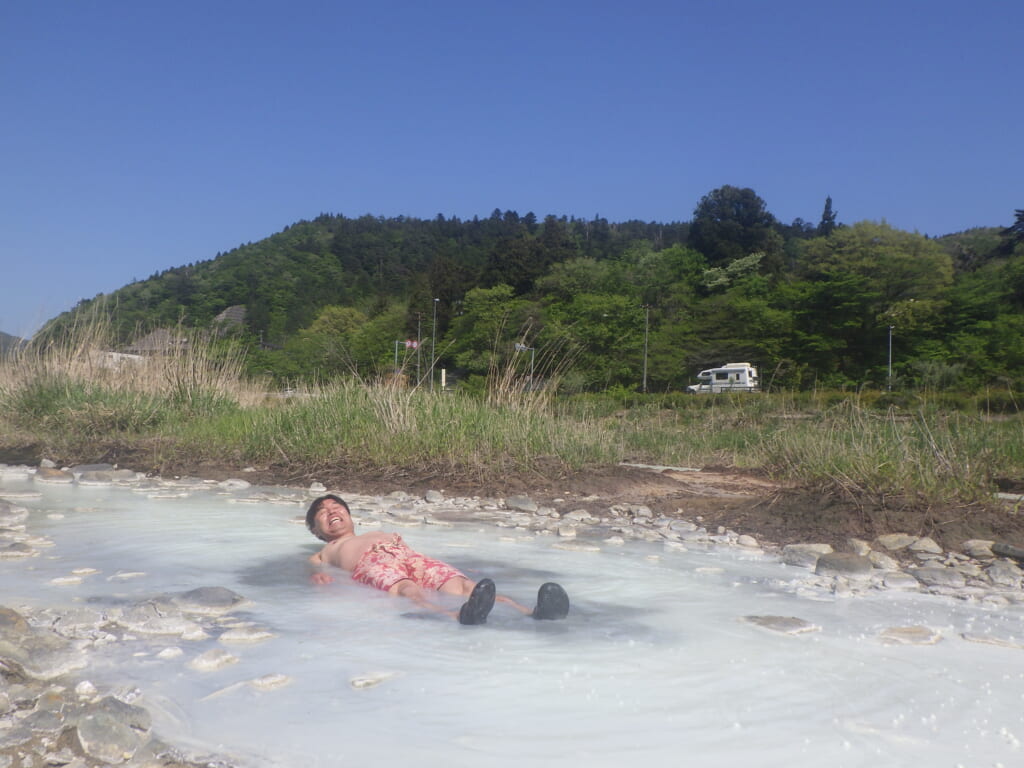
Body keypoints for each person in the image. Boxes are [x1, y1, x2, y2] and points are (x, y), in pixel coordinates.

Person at [305, 494, 569, 625]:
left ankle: (534, 613)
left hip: (410, 556)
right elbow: (310, 572)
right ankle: (456, 616)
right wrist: (317, 578)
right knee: (408, 589)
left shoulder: (377, 531)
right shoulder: (322, 552)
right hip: (370, 564)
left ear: (350, 515)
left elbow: (410, 551)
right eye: (322, 511)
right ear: (315, 530)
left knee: (467, 586)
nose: (330, 510)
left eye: (335, 506)